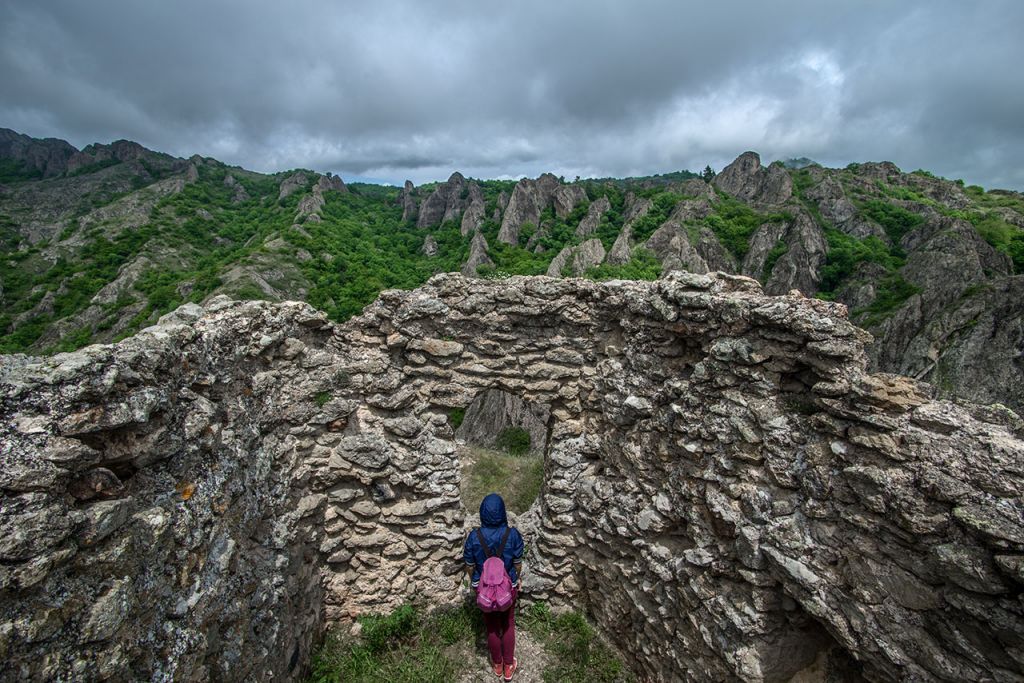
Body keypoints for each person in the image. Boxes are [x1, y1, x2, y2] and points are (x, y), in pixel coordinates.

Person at [463, 493, 525, 681]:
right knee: (508, 623)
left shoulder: (474, 536)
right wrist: (516, 579)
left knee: (491, 626)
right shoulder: (512, 534)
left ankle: (497, 664)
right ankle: (508, 666)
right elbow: (517, 563)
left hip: (484, 590)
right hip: (507, 588)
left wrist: (476, 585)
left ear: (482, 512)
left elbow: (470, 565)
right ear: (503, 513)